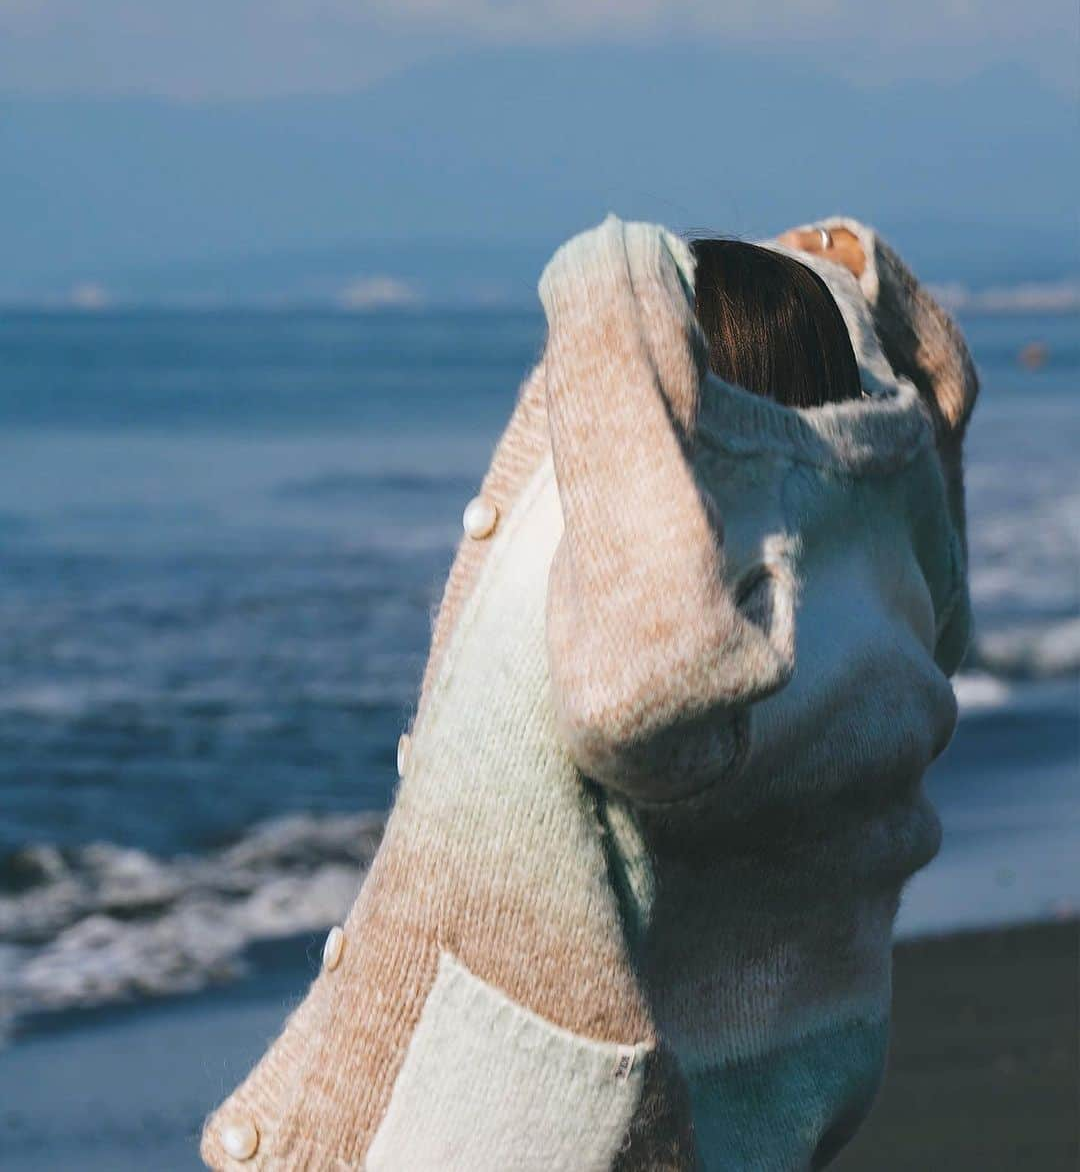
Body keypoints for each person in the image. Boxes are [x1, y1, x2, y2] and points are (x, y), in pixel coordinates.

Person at [201, 215, 978, 1171]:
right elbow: (917, 460)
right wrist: (866, 286)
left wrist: (606, 283)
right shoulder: (876, 620)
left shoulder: (669, 640)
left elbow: (630, 704)